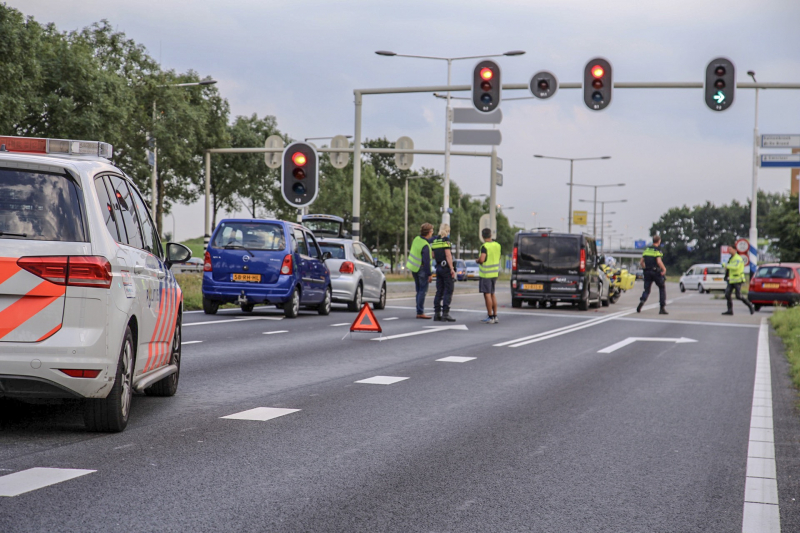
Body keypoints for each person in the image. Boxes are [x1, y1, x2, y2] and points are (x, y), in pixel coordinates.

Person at [406, 222, 434, 319]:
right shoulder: (426, 245)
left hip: (414, 268)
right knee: (423, 291)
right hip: (422, 269)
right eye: (432, 231)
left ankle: (419, 310)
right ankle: (420, 312)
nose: (432, 233)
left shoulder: (416, 239)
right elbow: (426, 262)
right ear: (429, 232)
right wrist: (429, 274)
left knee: (418, 290)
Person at [431, 223, 457, 322]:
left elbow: (433, 255)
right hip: (445, 267)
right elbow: (448, 255)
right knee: (448, 290)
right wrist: (451, 268)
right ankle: (445, 313)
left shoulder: (435, 241)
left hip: (438, 267)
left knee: (439, 291)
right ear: (447, 231)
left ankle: (437, 313)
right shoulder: (446, 241)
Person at [636, 235, 668, 315]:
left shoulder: (647, 250)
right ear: (659, 241)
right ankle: (662, 308)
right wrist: (664, 269)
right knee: (661, 287)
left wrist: (645, 268)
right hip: (656, 272)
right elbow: (658, 261)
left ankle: (642, 301)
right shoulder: (657, 250)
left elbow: (641, 262)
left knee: (646, 290)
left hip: (647, 272)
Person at [477, 227, 501, 324]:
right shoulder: (497, 245)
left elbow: (482, 259)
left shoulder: (485, 246)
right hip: (494, 273)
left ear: (482, 236)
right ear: (491, 235)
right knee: (492, 294)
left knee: (487, 294)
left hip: (486, 274)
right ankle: (495, 315)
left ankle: (490, 316)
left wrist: (477, 260)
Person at [722, 249, 754, 316]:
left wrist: (726, 265)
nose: (729, 251)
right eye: (728, 249)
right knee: (727, 294)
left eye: (730, 249)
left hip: (738, 280)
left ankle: (750, 305)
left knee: (738, 296)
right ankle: (730, 310)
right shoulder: (731, 258)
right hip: (731, 280)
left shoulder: (738, 258)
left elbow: (736, 267)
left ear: (735, 250)